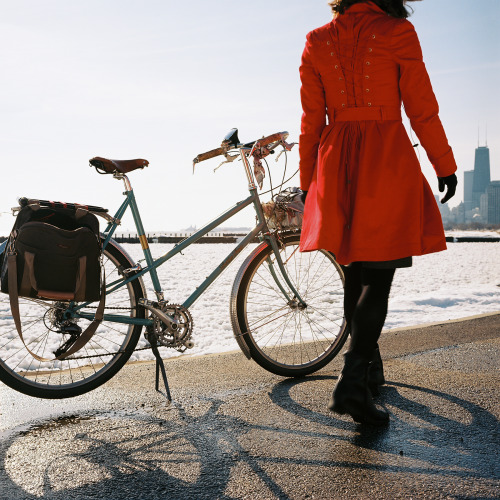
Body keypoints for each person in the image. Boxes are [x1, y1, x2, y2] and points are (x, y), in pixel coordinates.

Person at [298, 0, 458, 425]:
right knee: (380, 276)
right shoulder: (397, 32)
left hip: (335, 161)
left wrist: (308, 178)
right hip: (384, 156)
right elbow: (421, 106)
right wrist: (444, 163)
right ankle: (351, 383)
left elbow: (311, 120)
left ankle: (368, 372)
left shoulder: (316, 40)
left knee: (354, 271)